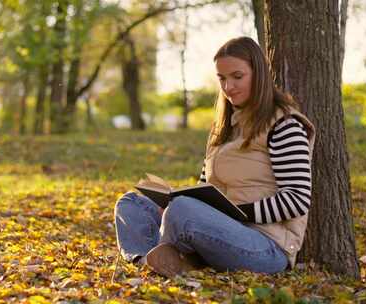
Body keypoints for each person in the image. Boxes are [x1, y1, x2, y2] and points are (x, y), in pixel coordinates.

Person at [113, 36, 316, 277]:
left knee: (182, 209)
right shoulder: (224, 128)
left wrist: (236, 212)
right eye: (222, 78)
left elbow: (297, 199)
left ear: (258, 74)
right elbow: (204, 187)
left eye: (237, 77)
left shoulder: (284, 125)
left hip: (266, 246)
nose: (228, 87)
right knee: (131, 203)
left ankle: (168, 256)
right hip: (217, 232)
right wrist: (168, 202)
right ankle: (148, 260)